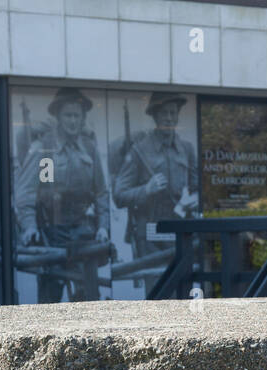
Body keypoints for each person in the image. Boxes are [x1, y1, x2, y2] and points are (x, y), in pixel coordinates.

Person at [14, 87, 110, 303]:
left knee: (87, 296)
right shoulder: (45, 149)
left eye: (77, 115)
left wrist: (103, 226)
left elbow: (101, 192)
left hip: (82, 233)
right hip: (52, 232)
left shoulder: (89, 148)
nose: (73, 121)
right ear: (58, 117)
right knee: (50, 297)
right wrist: (29, 226)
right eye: (68, 115)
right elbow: (26, 193)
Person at [112, 91, 198, 260]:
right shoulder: (139, 150)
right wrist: (146, 189)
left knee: (182, 279)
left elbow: (197, 188)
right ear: (155, 116)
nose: (168, 118)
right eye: (163, 113)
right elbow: (119, 196)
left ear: (178, 116)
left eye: (173, 113)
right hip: (149, 232)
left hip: (179, 225)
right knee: (156, 282)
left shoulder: (186, 149)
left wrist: (194, 200)